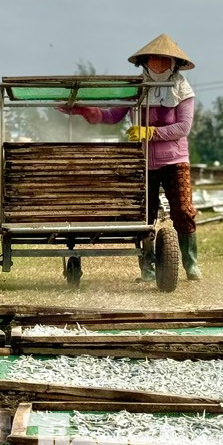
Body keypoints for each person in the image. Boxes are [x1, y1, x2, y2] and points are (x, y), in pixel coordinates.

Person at [60, 34, 201, 281]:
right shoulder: (135, 88)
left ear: (174, 64)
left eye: (164, 60)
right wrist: (86, 111)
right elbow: (113, 116)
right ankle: (147, 268)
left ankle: (191, 264)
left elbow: (182, 128)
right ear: (144, 62)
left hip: (174, 161)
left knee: (183, 210)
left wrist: (151, 132)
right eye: (153, 60)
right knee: (143, 215)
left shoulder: (183, 90)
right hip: (141, 160)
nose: (158, 64)